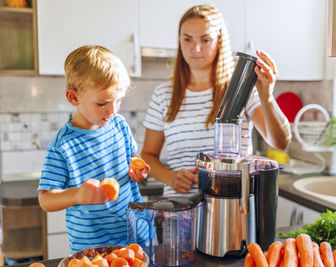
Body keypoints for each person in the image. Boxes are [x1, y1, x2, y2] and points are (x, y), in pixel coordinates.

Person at [141, 5, 291, 197]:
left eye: (205, 40)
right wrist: (171, 178)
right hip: (180, 209)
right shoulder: (163, 95)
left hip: (232, 209)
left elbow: (280, 142)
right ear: (179, 40)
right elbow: (148, 156)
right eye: (187, 39)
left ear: (219, 42)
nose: (196, 48)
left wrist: (267, 96)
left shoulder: (240, 90)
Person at [37, 45, 150, 253]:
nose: (113, 110)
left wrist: (139, 169)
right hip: (93, 248)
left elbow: (134, 158)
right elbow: (45, 199)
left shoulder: (119, 124)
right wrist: (77, 195)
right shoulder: (63, 145)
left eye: (118, 101)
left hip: (136, 235)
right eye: (102, 103)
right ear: (74, 98)